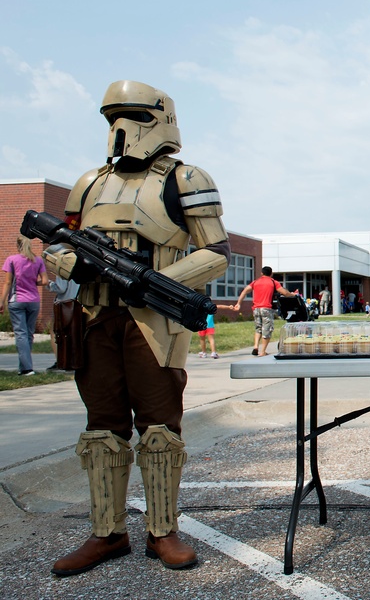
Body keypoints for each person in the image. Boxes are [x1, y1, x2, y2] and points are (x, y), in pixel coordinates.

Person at [46, 80, 231, 576]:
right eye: (111, 118)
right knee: (102, 428)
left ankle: (161, 531)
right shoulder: (90, 182)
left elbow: (215, 252)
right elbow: (56, 242)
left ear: (162, 118)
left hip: (154, 319)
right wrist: (72, 266)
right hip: (94, 315)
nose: (121, 129)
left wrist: (152, 284)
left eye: (133, 116)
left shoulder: (186, 178)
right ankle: (106, 533)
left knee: (159, 429)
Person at [1, 235, 49, 376]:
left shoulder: (12, 260)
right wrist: (35, 283)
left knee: (21, 334)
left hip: (17, 301)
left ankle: (28, 368)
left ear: (18, 245)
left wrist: (1, 301)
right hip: (34, 300)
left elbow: (8, 283)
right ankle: (24, 369)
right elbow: (45, 281)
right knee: (28, 334)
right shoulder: (38, 260)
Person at [233, 266, 292, 356]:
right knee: (267, 329)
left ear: (261, 273)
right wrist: (292, 294)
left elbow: (244, 291)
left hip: (256, 309)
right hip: (266, 309)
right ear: (271, 274)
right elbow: (285, 293)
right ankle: (263, 351)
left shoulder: (255, 282)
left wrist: (239, 303)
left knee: (258, 328)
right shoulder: (273, 282)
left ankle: (256, 346)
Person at [47, 275, 81, 371]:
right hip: (78, 301)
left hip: (64, 303)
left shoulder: (63, 264)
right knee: (75, 333)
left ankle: (61, 360)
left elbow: (61, 288)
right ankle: (74, 360)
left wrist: (48, 284)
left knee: (57, 332)